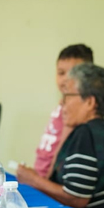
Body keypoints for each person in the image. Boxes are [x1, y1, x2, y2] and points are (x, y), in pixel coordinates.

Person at [18, 64, 104, 208]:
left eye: (67, 95)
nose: (61, 102)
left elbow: (76, 198)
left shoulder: (87, 135)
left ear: (89, 102)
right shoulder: (103, 131)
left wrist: (32, 179)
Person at [33, 44, 93, 178]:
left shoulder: (75, 112)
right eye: (61, 73)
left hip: (47, 180)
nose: (66, 79)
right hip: (40, 175)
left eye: (73, 73)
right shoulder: (61, 106)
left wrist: (41, 182)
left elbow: (60, 152)